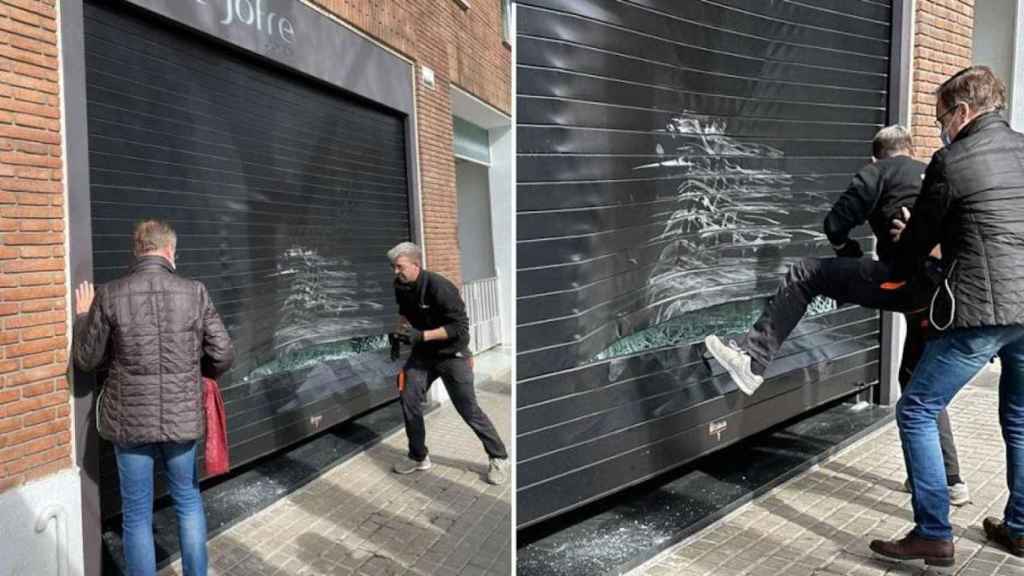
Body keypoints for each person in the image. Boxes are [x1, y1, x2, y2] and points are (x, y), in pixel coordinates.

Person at [702, 125, 969, 503]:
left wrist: (848, 257)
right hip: (937, 289)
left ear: (876, 156)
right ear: (910, 148)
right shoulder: (933, 172)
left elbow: (835, 224)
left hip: (904, 282)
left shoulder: (877, 172)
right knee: (917, 383)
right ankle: (951, 479)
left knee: (805, 273)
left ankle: (752, 358)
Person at [868, 66, 1024, 568]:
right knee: (1021, 418)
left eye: (941, 116)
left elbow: (915, 246)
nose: (940, 126)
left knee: (915, 408)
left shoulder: (952, 160)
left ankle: (933, 532)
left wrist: (903, 243)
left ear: (961, 111)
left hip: (983, 309)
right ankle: (1020, 528)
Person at [73, 220, 234, 576]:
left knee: (135, 514)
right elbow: (223, 353)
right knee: (189, 503)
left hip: (129, 424)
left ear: (137, 249)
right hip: (181, 419)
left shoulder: (111, 293)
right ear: (169, 251)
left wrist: (83, 315)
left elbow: (87, 357)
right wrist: (196, 373)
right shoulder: (194, 292)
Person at [388, 242, 509, 485]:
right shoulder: (400, 285)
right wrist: (398, 334)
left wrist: (422, 335)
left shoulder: (439, 287)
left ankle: (498, 456)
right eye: (393, 267)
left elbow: (459, 328)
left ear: (415, 265)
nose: (395, 272)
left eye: (399, 267)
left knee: (468, 409)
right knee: (409, 397)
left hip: (452, 354)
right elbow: (404, 312)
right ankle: (418, 457)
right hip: (423, 355)